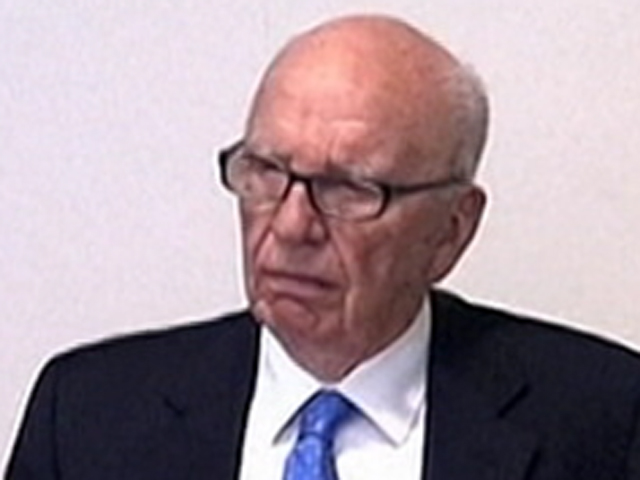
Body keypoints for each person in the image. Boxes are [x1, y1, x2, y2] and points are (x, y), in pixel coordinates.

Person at [6, 13, 640, 480]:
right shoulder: (86, 416)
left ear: (451, 229)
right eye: (266, 172)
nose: (290, 226)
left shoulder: (605, 421)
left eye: (347, 188)